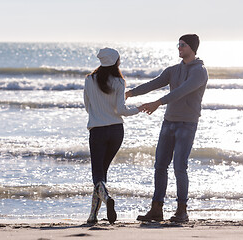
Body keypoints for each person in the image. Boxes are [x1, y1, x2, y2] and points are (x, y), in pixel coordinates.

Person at [126, 34, 208, 222]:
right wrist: (130, 93)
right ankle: (156, 209)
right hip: (169, 122)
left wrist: (158, 102)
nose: (179, 47)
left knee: (180, 167)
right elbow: (153, 84)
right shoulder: (172, 70)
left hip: (187, 124)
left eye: (183, 45)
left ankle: (182, 211)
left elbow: (182, 91)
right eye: (178, 44)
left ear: (192, 48)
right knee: (160, 166)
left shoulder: (200, 71)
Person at [84, 47, 142, 224]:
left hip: (98, 131)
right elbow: (122, 110)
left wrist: (97, 116)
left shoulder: (89, 80)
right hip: (116, 131)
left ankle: (107, 199)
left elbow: (88, 106)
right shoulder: (119, 82)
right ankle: (93, 216)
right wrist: (138, 109)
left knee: (98, 175)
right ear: (115, 62)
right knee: (102, 173)